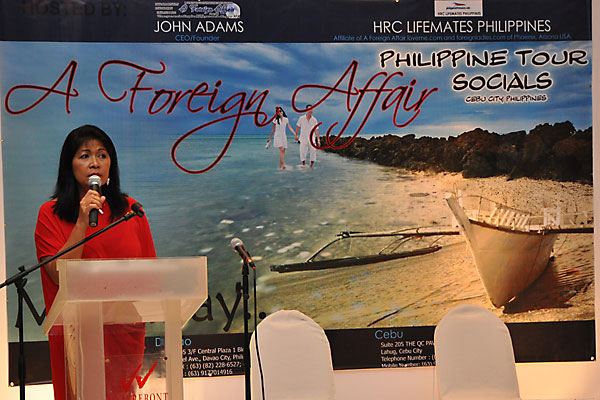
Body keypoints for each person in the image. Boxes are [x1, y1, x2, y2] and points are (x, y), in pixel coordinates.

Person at [35, 125, 156, 400]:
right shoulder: (50, 214)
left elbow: (151, 275)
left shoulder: (131, 210)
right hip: (77, 336)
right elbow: (58, 276)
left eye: (102, 155)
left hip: (125, 334)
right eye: (85, 155)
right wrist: (82, 221)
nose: (95, 163)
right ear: (69, 165)